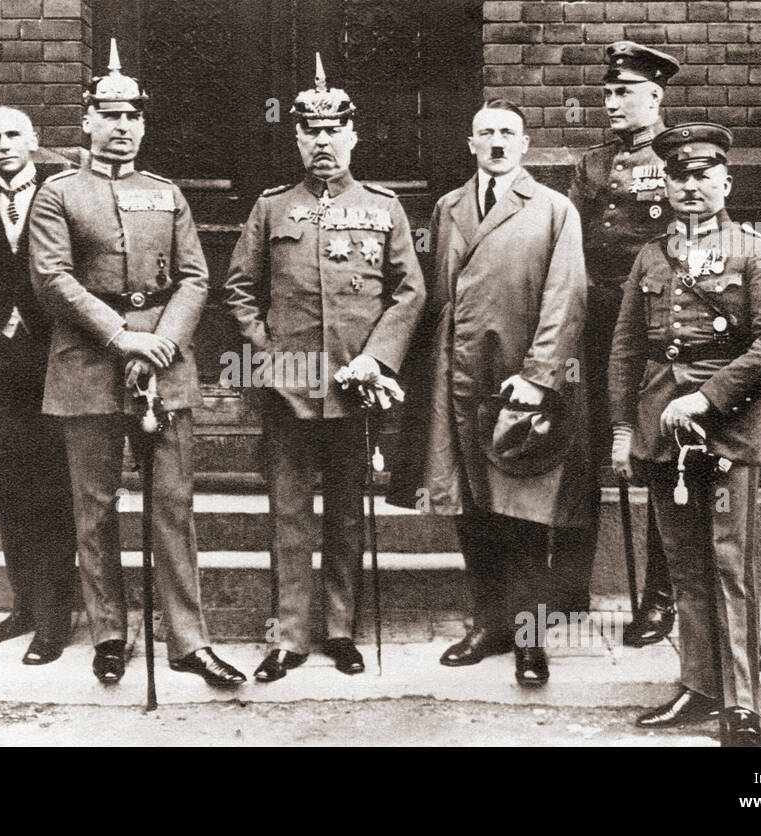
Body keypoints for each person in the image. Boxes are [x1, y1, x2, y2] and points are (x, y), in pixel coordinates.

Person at [28, 40, 245, 687]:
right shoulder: (58, 193)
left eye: (132, 116)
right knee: (93, 509)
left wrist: (163, 343)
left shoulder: (167, 193)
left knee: (172, 505)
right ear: (87, 120)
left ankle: (187, 638)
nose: (121, 127)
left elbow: (196, 279)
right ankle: (110, 635)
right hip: (88, 365)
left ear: (144, 124)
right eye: (109, 114)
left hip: (166, 368)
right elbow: (52, 279)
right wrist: (123, 336)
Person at [223, 54, 425, 681]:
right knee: (288, 512)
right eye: (311, 131)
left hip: (354, 388)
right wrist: (267, 354)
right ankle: (288, 636)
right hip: (288, 390)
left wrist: (376, 358)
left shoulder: (384, 208)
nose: (323, 141)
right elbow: (237, 289)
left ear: (354, 135)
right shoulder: (271, 207)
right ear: (297, 137)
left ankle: (340, 628)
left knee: (344, 511)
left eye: (335, 130)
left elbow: (409, 292)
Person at [389, 98, 591, 686]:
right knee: (473, 508)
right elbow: (432, 294)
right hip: (459, 379)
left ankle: (529, 640)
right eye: (486, 133)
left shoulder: (554, 209)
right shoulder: (448, 207)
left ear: (525, 145)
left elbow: (567, 296)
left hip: (519, 382)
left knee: (525, 511)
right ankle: (488, 624)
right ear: (471, 143)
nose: (497, 142)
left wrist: (537, 375)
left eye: (508, 132)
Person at [609, 123, 761, 746]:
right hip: (662, 431)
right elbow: (626, 349)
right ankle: (698, 687)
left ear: (725, 182)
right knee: (687, 569)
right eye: (678, 176)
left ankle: (742, 704)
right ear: (664, 184)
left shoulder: (755, 253)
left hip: (726, 434)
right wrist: (621, 428)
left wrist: (708, 396)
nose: (690, 186)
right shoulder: (650, 257)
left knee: (727, 566)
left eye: (702, 176)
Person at [563, 41, 680, 646]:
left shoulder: (681, 158)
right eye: (608, 92)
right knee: (582, 454)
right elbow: (573, 249)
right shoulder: (590, 164)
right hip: (595, 322)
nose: (611, 102)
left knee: (657, 452)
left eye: (624, 92)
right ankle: (568, 590)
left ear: (655, 96)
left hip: (657, 329)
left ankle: (661, 599)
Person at [0, 106, 79, 665]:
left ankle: (56, 618)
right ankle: (26, 604)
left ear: (34, 140)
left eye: (13, 135)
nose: (4, 144)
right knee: (11, 479)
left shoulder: (64, 195)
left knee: (53, 483)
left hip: (55, 357)